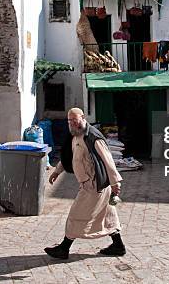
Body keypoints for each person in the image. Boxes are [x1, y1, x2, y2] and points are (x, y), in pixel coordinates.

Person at [45, 108, 125, 259]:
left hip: (95, 185)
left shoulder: (93, 136)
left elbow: (108, 160)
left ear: (83, 118)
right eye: (70, 121)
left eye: (75, 120)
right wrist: (57, 171)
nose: (73, 123)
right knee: (107, 215)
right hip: (89, 184)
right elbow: (70, 156)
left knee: (76, 214)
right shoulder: (75, 136)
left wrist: (115, 182)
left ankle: (64, 247)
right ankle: (118, 245)